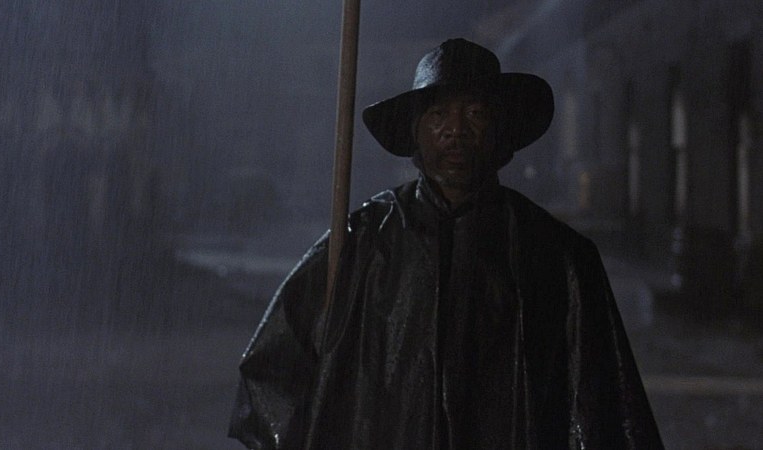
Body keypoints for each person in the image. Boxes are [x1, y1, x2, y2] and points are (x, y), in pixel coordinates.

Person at [228, 38, 663, 449]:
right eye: (438, 114)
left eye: (475, 113)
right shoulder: (361, 245)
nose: (456, 130)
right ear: (416, 132)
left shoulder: (555, 256)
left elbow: (607, 407)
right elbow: (271, 373)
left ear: (500, 130)